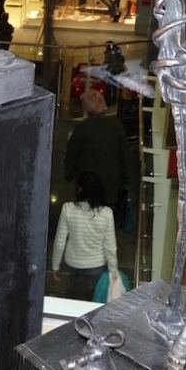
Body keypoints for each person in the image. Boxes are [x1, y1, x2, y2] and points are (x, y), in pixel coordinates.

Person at [64, 88, 137, 226]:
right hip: (111, 184)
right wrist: (127, 182)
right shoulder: (116, 125)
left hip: (86, 183)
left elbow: (71, 154)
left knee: (84, 219)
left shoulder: (82, 128)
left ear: (86, 107)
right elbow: (125, 156)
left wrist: (70, 174)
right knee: (106, 219)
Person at [51, 171, 119, 301]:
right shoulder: (106, 213)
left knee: (73, 298)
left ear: (79, 188)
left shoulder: (68, 208)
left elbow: (60, 241)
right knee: (92, 300)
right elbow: (110, 246)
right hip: (96, 265)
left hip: (73, 263)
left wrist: (55, 266)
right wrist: (113, 271)